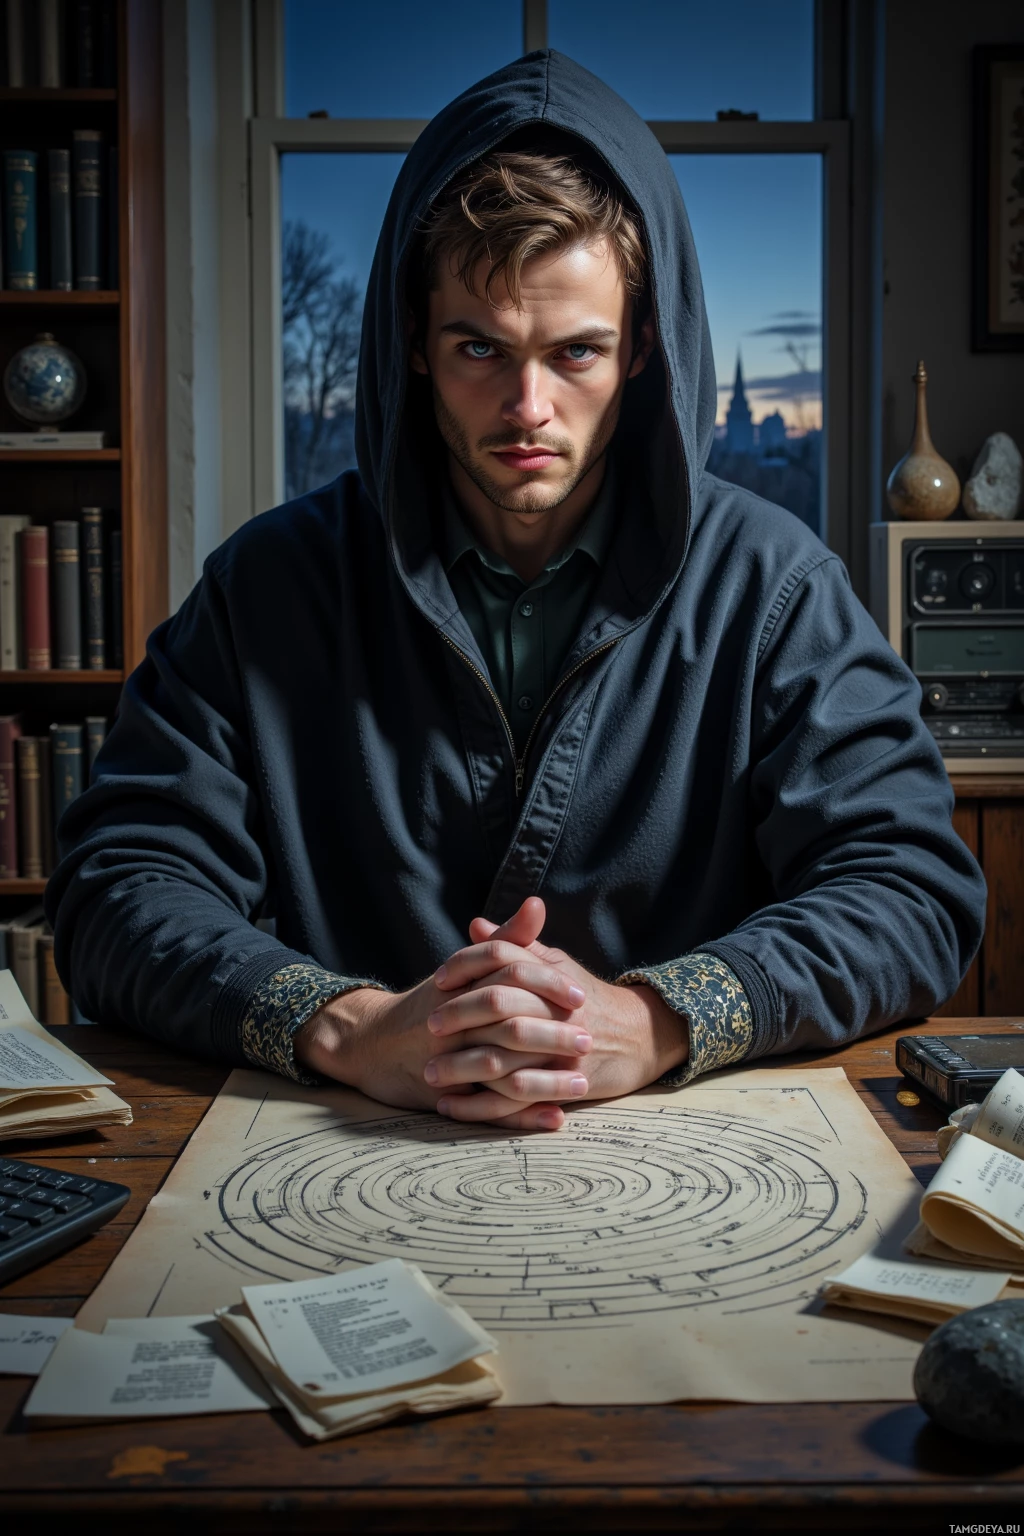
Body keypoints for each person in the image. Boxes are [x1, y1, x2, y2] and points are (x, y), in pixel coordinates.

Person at [47, 51, 985, 1135]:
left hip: (689, 1163)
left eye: (575, 352)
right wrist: (342, 1026)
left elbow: (911, 888)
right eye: (479, 348)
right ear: (413, 343)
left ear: (641, 346)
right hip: (328, 1159)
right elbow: (119, 884)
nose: (527, 405)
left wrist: (659, 1018)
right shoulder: (266, 588)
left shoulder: (776, 589)